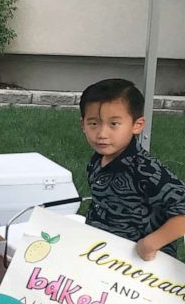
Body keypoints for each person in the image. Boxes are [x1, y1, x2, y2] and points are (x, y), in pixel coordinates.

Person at [79, 78, 185, 260]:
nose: (102, 134)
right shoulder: (97, 160)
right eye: (93, 123)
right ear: (83, 125)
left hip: (142, 269)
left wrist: (151, 243)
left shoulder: (146, 170)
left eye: (114, 124)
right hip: (104, 256)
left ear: (137, 125)